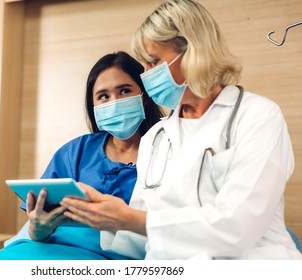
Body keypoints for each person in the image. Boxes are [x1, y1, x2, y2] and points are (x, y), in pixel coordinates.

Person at [61, 0, 302, 259]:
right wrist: (101, 215)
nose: (146, 74)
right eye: (144, 65)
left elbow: (236, 227)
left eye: (154, 61)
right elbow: (139, 238)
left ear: (194, 51)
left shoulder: (258, 116)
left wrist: (130, 218)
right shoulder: (156, 137)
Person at [0, 51, 164, 260]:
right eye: (103, 96)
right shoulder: (75, 152)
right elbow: (37, 220)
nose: (114, 102)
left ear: (144, 97)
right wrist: (38, 229)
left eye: (124, 91)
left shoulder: (165, 151)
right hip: (42, 248)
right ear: (93, 106)